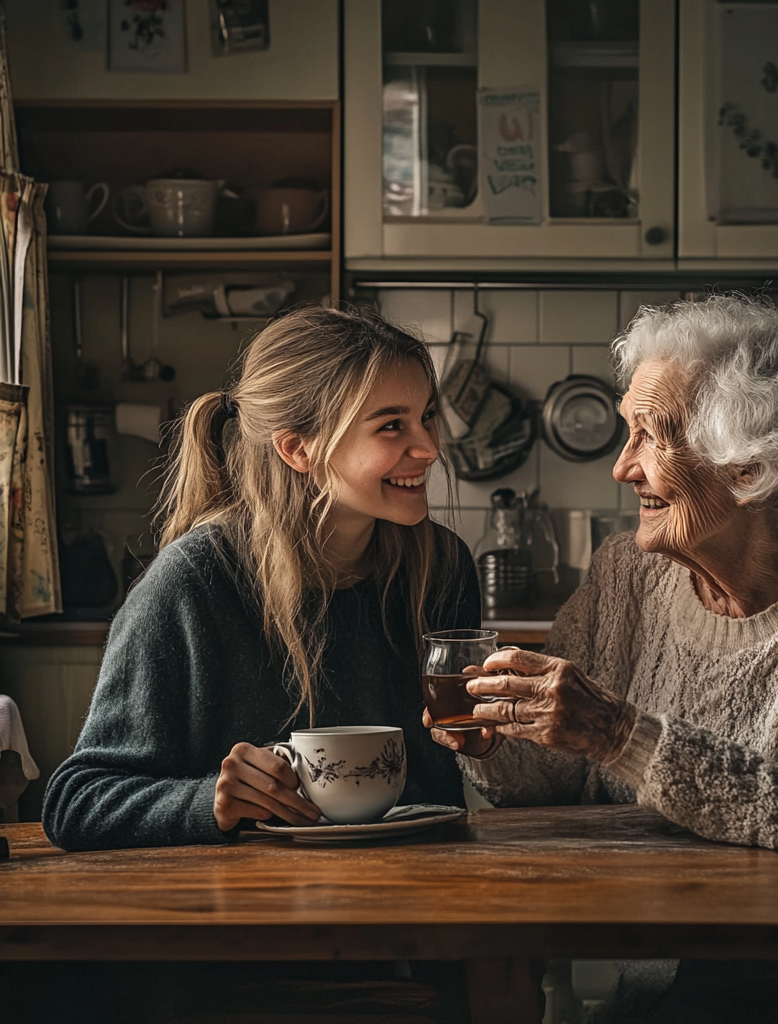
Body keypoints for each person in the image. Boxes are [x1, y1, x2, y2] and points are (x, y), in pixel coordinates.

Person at [430, 294, 778, 1023]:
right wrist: (497, 741)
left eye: (650, 435)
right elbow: (553, 781)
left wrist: (623, 736)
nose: (621, 467)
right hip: (674, 989)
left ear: (749, 465)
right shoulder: (624, 580)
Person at [44, 304, 479, 852]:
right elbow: (76, 802)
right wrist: (211, 802)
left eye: (427, 416)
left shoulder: (443, 567)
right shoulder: (192, 582)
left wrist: (489, 742)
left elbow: (456, 765)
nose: (429, 448)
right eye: (392, 425)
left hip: (427, 889)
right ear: (298, 449)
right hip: (248, 910)